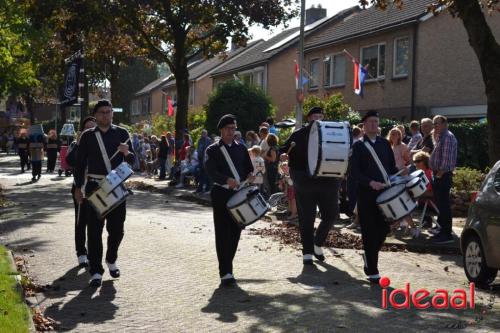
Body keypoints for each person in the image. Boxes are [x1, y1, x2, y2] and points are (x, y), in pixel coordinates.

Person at [74, 100, 135, 287]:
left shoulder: (122, 133)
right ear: (96, 114)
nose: (106, 115)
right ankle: (96, 271)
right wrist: (78, 187)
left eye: (109, 112)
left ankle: (111, 259)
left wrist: (127, 153)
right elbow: (79, 163)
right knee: (94, 231)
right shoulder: (87, 136)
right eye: (102, 112)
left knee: (117, 230)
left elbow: (133, 160)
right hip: (94, 186)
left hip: (116, 186)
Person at [280, 106, 340, 265]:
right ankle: (307, 251)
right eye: (315, 116)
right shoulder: (298, 134)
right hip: (304, 180)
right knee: (307, 217)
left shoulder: (330, 133)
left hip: (327, 180)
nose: (318, 119)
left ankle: (317, 243)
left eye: (320, 116)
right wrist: (284, 155)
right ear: (309, 119)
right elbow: (284, 150)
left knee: (332, 214)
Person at [205, 114, 254, 286]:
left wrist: (250, 175)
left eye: (233, 128)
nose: (231, 132)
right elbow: (211, 172)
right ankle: (225, 272)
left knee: (235, 231)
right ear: (221, 130)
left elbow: (248, 168)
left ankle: (228, 265)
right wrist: (226, 180)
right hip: (221, 194)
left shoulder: (240, 148)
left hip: (239, 195)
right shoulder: (212, 150)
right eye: (228, 129)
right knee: (222, 233)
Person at [350, 110, 398, 283]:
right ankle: (373, 270)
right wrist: (370, 182)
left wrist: (402, 172)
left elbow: (391, 168)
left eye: (376, 122)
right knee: (369, 232)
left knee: (384, 230)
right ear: (363, 125)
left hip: (385, 194)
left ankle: (368, 256)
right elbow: (354, 172)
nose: (373, 125)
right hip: (366, 194)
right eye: (370, 122)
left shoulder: (385, 144)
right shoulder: (358, 146)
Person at [66, 116, 97, 267]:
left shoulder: (99, 144)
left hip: (97, 189)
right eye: (87, 128)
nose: (90, 130)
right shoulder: (75, 143)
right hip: (79, 188)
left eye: (93, 127)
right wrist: (78, 144)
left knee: (95, 223)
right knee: (80, 221)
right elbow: (70, 161)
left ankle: (93, 253)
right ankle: (81, 253)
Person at [429, 115, 457, 244]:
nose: (435, 126)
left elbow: (446, 162)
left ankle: (447, 234)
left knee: (444, 206)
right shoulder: (441, 137)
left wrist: (438, 175)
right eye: (434, 124)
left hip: (443, 176)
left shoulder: (448, 138)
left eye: (437, 124)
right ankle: (443, 231)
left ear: (445, 124)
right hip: (439, 175)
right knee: (441, 205)